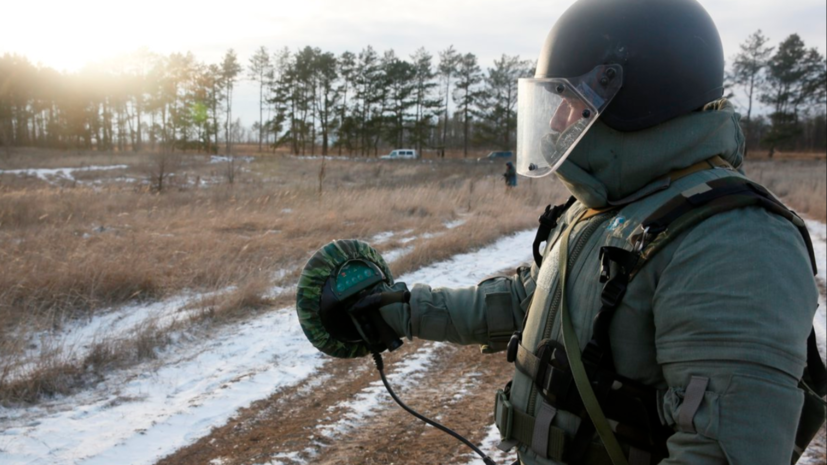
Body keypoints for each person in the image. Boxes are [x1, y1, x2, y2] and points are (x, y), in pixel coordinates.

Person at [304, 0, 822, 463]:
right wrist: (400, 310)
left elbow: (720, 452)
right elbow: (524, 300)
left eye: (570, 105)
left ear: (632, 96)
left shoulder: (734, 241)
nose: (556, 126)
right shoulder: (606, 207)